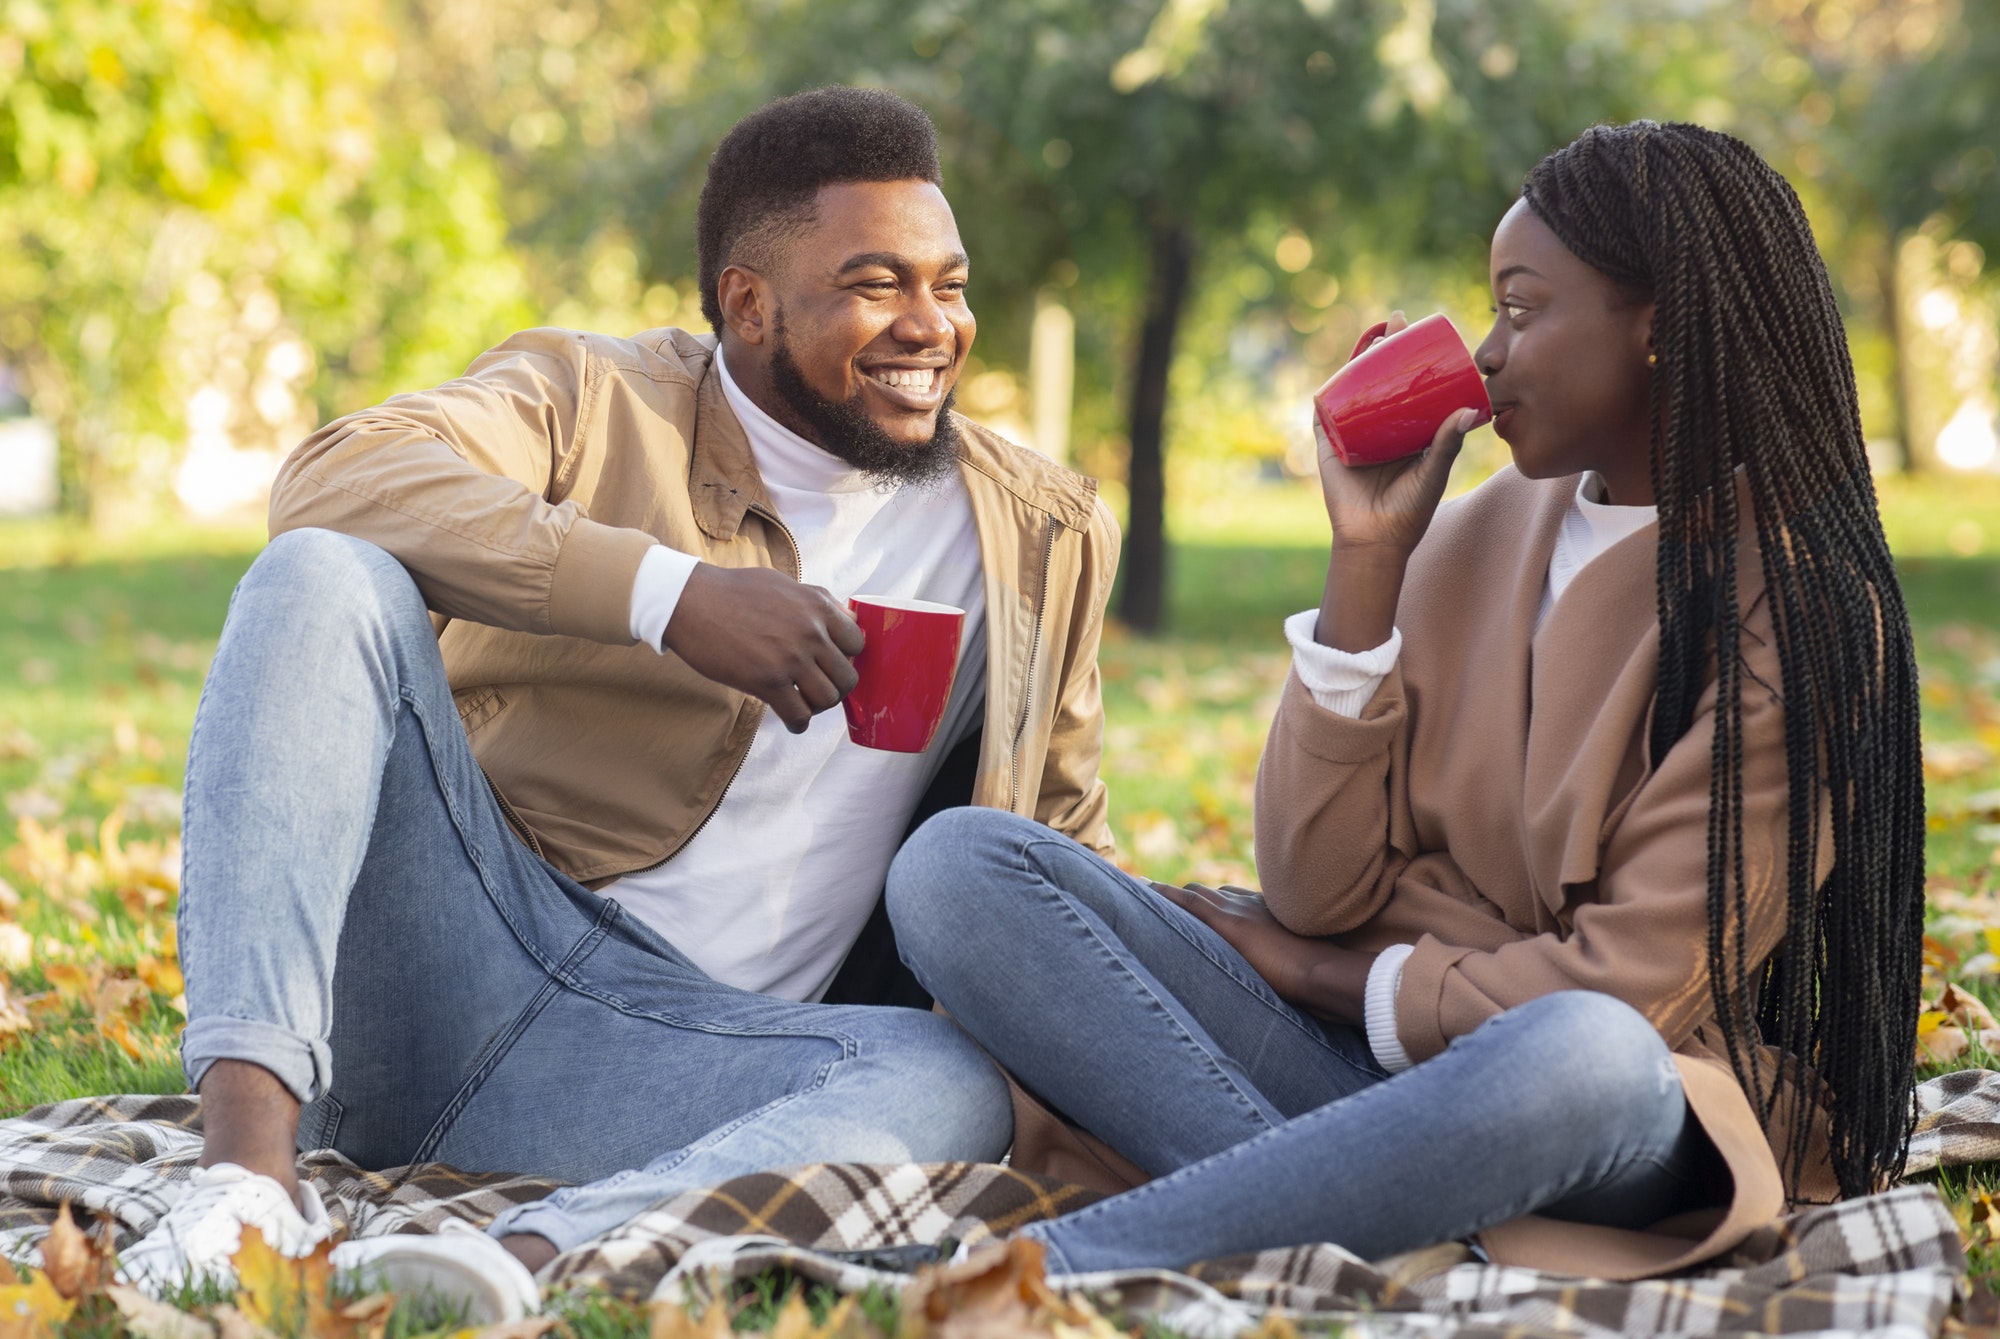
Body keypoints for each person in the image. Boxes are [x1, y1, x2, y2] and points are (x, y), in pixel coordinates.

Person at [118, 86, 1120, 1301]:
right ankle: (243, 1190)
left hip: (685, 1058)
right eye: (875, 283)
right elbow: (337, 480)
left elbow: (1059, 837)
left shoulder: (1036, 531)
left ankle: (510, 1259)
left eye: (947, 285)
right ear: (747, 304)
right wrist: (669, 596)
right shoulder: (591, 398)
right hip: (451, 956)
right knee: (320, 574)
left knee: (948, 1083)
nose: (930, 325)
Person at [888, 120, 1924, 1279]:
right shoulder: (1475, 529)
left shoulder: (1795, 612)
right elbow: (1315, 888)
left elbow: (1627, 991)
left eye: (1522, 310)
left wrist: (1325, 973)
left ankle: (1070, 1257)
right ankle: (1356, 1210)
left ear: (1658, 327)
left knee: (1576, 1047)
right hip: (1365, 1064)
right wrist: (1364, 564)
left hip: (1601, 1106)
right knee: (960, 866)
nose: (1485, 356)